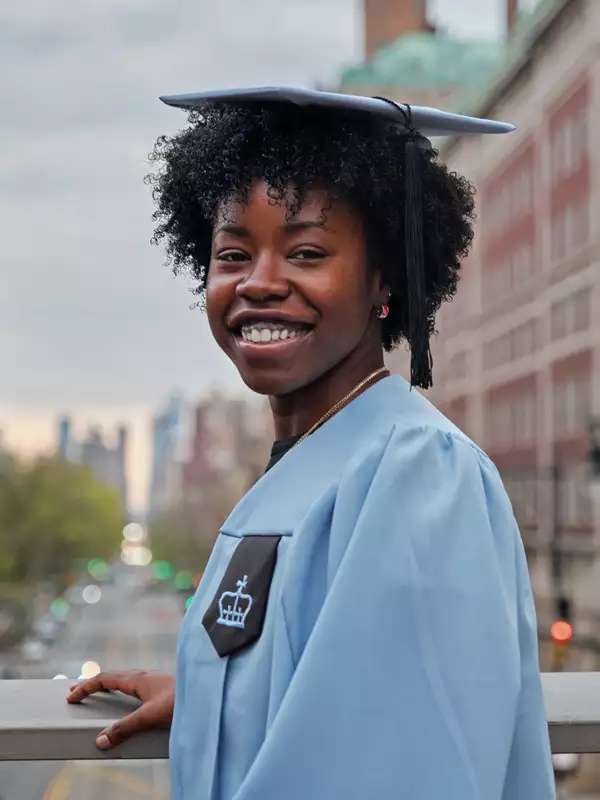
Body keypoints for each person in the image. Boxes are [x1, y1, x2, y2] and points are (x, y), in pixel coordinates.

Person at [67, 87, 555, 799]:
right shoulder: (312, 463)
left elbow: (397, 763)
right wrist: (218, 700)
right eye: (233, 253)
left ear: (383, 280)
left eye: (306, 251)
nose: (260, 283)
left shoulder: (419, 477)